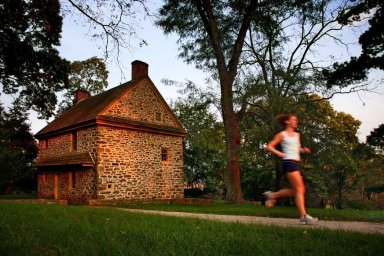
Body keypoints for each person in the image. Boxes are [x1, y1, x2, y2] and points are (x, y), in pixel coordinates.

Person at [264, 113, 318, 225]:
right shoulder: (282, 134)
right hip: (289, 162)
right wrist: (280, 153)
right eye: (293, 120)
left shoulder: (297, 135)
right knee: (300, 188)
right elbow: (269, 146)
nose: (296, 122)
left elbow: (297, 149)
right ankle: (304, 217)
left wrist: (304, 150)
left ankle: (273, 195)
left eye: (296, 120)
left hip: (296, 163)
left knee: (297, 191)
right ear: (287, 121)